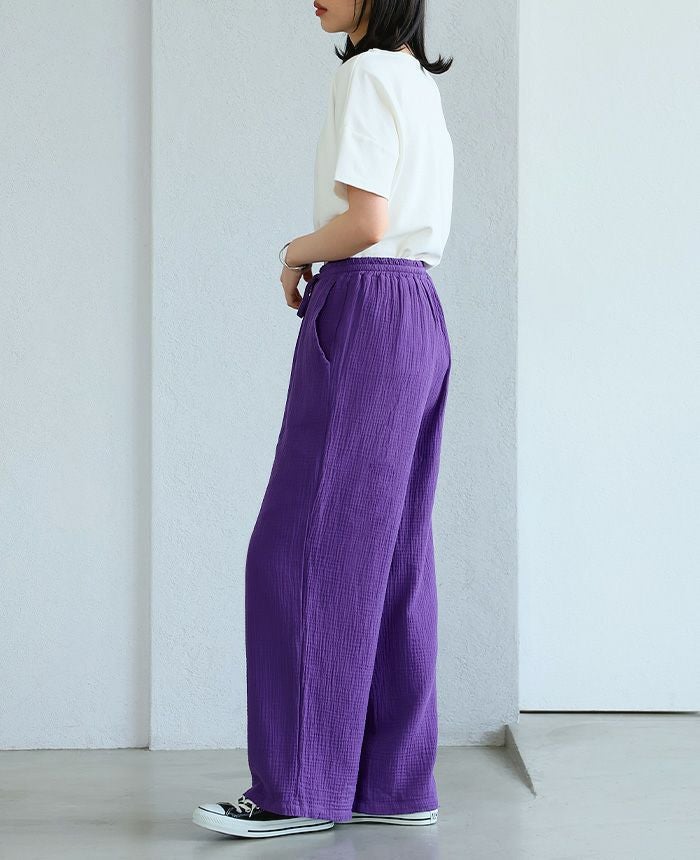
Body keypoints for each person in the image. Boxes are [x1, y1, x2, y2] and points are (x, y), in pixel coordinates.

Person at [193, 0, 454, 840]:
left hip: (368, 305)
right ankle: (394, 781)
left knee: (300, 551)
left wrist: (294, 253)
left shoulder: (368, 72)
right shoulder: (414, 80)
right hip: (418, 310)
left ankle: (298, 791)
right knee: (395, 554)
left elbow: (365, 222)